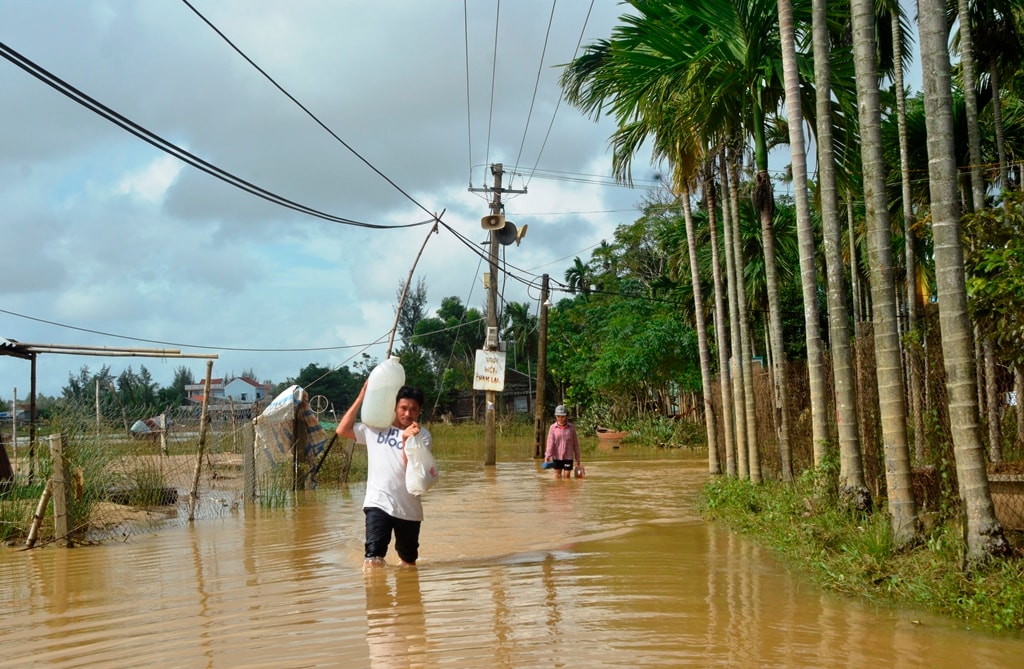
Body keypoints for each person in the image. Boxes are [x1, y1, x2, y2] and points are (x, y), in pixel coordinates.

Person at [336, 382, 432, 569]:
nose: (407, 414)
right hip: (377, 503)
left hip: (408, 508)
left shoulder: (422, 436)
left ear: (419, 411)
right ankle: (375, 597)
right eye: (403, 408)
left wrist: (406, 439)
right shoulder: (375, 428)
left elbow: (412, 469)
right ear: (394, 408)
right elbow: (342, 430)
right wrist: (361, 398)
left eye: (413, 409)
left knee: (408, 563)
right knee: (372, 558)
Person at [544, 404, 581, 479]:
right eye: (558, 416)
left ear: (566, 416)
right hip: (557, 457)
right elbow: (550, 443)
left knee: (567, 476)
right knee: (557, 476)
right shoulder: (552, 428)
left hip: (568, 456)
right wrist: (547, 456)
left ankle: (567, 490)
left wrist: (578, 458)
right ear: (556, 416)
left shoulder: (571, 428)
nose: (561, 418)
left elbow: (575, 444)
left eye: (563, 416)